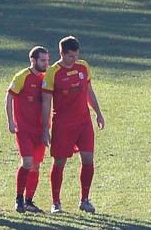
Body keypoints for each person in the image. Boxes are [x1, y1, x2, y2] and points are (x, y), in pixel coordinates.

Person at [41, 36, 105, 213]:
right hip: (63, 124)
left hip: (84, 122)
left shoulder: (83, 67)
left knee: (88, 159)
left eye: (76, 56)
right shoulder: (53, 72)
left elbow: (89, 92)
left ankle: (84, 199)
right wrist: (45, 129)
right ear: (61, 53)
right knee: (59, 162)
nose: (74, 59)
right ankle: (56, 202)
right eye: (70, 56)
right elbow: (46, 102)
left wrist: (98, 113)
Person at [5, 46, 50, 213]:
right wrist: (11, 121)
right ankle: (18, 199)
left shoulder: (47, 77)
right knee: (27, 162)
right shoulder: (21, 77)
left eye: (47, 60)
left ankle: (29, 201)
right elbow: (9, 98)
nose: (46, 63)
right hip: (24, 129)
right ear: (33, 60)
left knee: (36, 166)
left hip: (41, 130)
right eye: (43, 60)